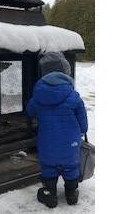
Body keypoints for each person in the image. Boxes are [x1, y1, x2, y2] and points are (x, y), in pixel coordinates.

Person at [26, 52, 88, 208]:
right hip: (70, 143)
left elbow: (30, 111)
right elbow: (84, 124)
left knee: (49, 167)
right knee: (71, 166)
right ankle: (71, 194)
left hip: (47, 142)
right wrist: (81, 131)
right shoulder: (73, 96)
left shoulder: (39, 95)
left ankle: (50, 195)